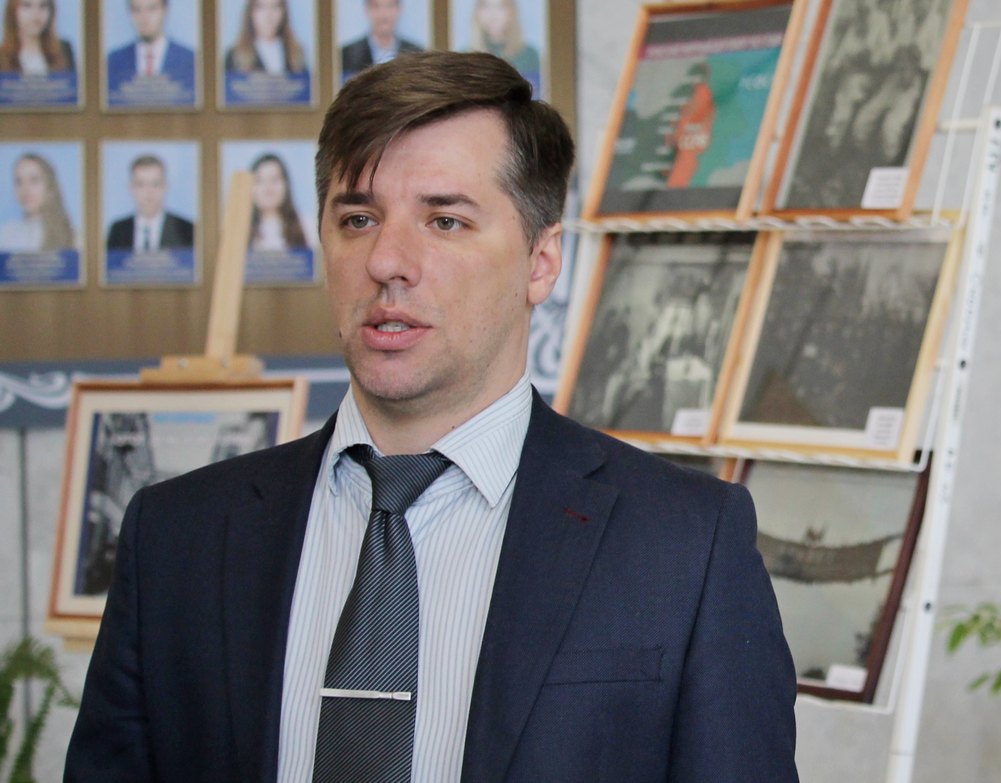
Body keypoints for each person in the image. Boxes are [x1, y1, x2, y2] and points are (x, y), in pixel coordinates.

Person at [65, 51, 797, 782]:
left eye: (445, 220)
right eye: (358, 218)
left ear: (542, 261)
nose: (387, 260)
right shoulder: (176, 538)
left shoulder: (686, 545)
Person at [105, 154, 193, 251]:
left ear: (165, 187)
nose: (149, 192)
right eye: (141, 184)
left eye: (155, 184)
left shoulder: (186, 229)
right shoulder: (118, 230)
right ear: (131, 188)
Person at [106, 0, 195, 96]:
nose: (144, 17)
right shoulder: (112, 62)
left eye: (151, 9)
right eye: (137, 10)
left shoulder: (191, 61)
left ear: (165, 10)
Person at [0, 152, 74, 252]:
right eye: (19, 181)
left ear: (49, 186)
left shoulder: (71, 235)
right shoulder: (6, 234)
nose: (25, 189)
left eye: (34, 180)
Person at [248, 152, 312, 251]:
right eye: (260, 181)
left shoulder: (307, 226)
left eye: (274, 180)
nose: (268, 188)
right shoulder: (241, 230)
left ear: (286, 185)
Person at [340, 0, 421, 77]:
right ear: (367, 10)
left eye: (389, 6)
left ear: (399, 9)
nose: (383, 15)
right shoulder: (345, 55)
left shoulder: (417, 54)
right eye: (376, 6)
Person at [225, 0, 306, 75]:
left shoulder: (296, 54)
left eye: (275, 7)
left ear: (284, 12)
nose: (268, 16)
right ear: (250, 12)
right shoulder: (235, 55)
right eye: (261, 7)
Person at [0, 0, 75, 74]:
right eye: (27, 5)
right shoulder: (2, 55)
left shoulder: (64, 50)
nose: (36, 14)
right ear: (13, 11)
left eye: (43, 6)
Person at [468, 0, 539, 76]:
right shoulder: (466, 55)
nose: (492, 16)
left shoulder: (530, 56)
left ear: (512, 13)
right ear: (477, 13)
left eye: (500, 7)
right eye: (485, 7)